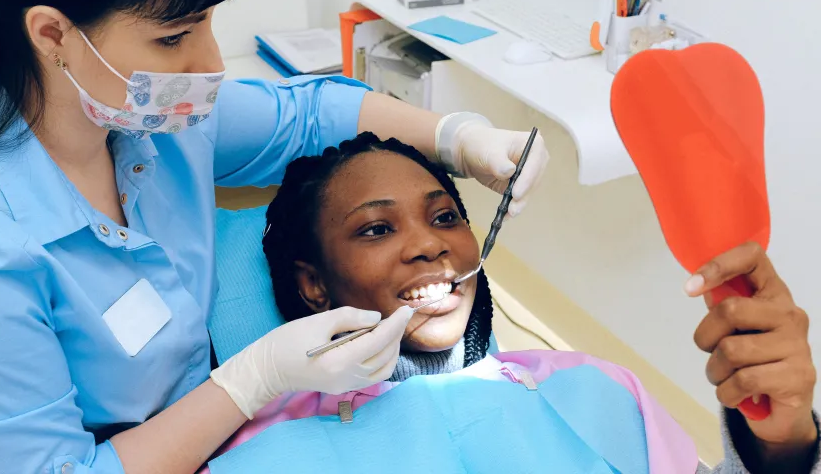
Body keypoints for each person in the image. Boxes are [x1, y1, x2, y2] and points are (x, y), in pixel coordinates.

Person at [0, 0, 551, 473]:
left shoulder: (154, 119)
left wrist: (458, 138)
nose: (209, 63)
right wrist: (251, 382)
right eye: (172, 39)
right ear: (52, 34)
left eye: (208, 23)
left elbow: (307, 117)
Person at [252, 132, 820, 473]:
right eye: (377, 229)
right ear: (313, 285)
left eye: (445, 217)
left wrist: (783, 444)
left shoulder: (594, 390)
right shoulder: (268, 449)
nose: (429, 244)